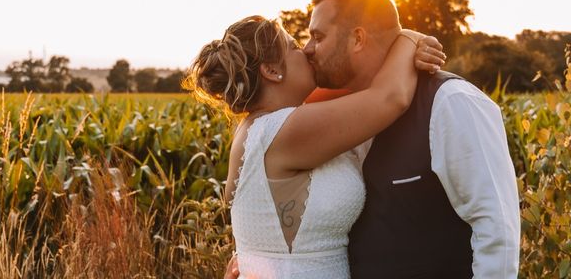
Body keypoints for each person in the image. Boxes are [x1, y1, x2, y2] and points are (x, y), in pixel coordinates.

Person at [226, 0, 520, 278]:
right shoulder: (335, 115)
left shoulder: (452, 102)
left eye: (317, 36)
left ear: (357, 39)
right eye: (299, 43)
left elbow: (496, 230)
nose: (308, 49)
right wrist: (409, 38)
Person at [185, 14, 445, 278]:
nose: (307, 50)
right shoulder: (282, 131)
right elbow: (390, 97)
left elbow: (359, 85)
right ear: (272, 71)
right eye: (294, 47)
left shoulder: (260, 127)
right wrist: (409, 37)